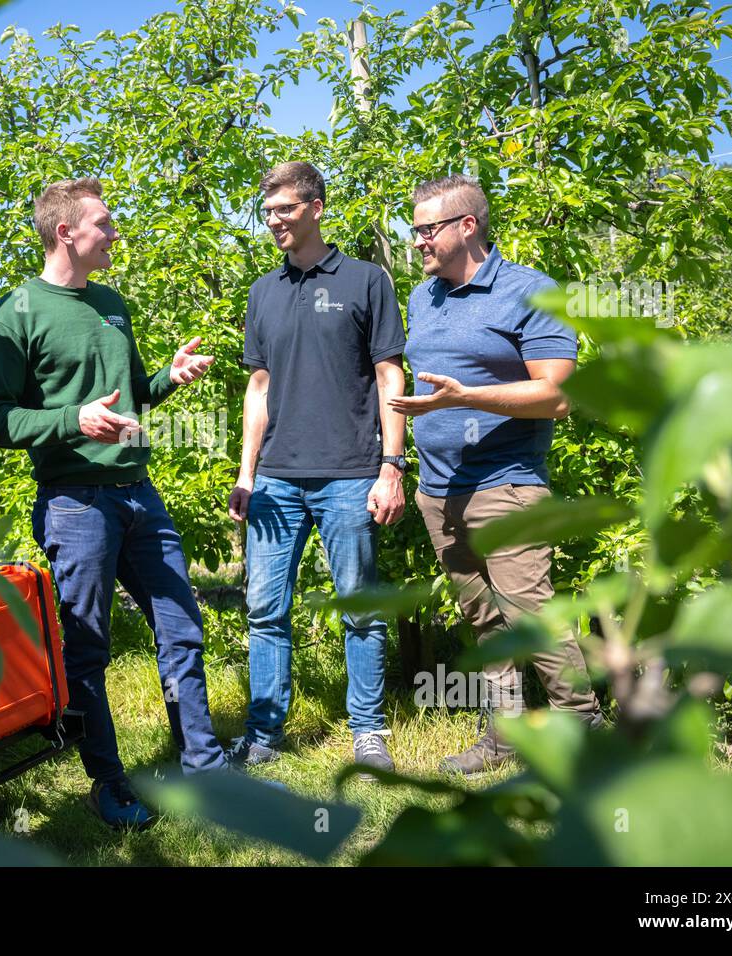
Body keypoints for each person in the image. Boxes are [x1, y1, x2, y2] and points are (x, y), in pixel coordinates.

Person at [0, 177, 227, 828]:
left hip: (139, 494)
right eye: (106, 224)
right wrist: (71, 420)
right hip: (75, 505)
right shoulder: (16, 314)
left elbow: (129, 401)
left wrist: (167, 380)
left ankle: (204, 766)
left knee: (182, 629)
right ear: (67, 232)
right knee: (88, 649)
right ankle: (109, 783)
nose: (116, 234)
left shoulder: (112, 303)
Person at [391, 174, 605, 776]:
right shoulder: (422, 297)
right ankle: (505, 737)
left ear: (468, 226)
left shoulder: (530, 291)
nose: (418, 242)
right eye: (414, 229)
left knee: (530, 617)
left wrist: (468, 398)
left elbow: (557, 397)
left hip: (506, 484)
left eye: (428, 229)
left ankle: (585, 734)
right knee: (483, 621)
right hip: (439, 490)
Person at [227, 161, 408, 778]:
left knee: (358, 607)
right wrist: (247, 472)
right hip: (275, 477)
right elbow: (258, 386)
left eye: (285, 209)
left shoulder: (365, 281)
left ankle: (367, 731)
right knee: (265, 609)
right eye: (268, 211)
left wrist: (391, 466)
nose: (273, 220)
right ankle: (264, 733)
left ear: (317, 207)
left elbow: (390, 376)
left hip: (352, 474)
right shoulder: (263, 291)